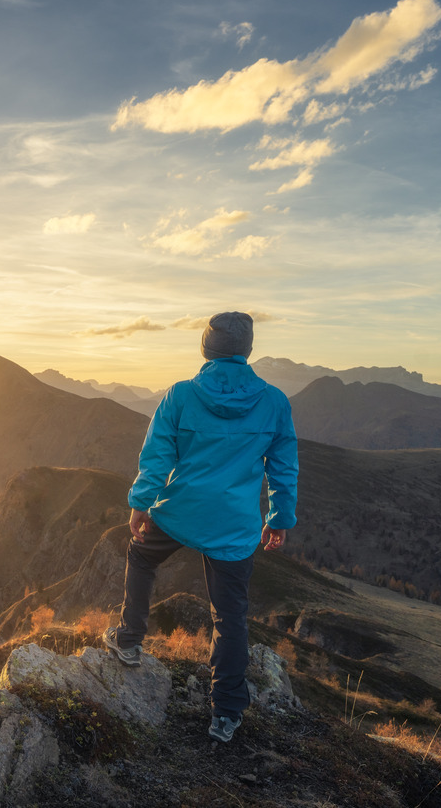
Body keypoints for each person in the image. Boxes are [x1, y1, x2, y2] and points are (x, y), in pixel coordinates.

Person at [103, 311, 299, 744]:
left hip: (179, 511)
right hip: (234, 526)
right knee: (230, 617)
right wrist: (279, 519)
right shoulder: (273, 402)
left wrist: (140, 503)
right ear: (247, 350)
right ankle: (226, 713)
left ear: (206, 349)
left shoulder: (180, 395)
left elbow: (157, 457)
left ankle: (130, 640)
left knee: (140, 555)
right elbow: (283, 470)